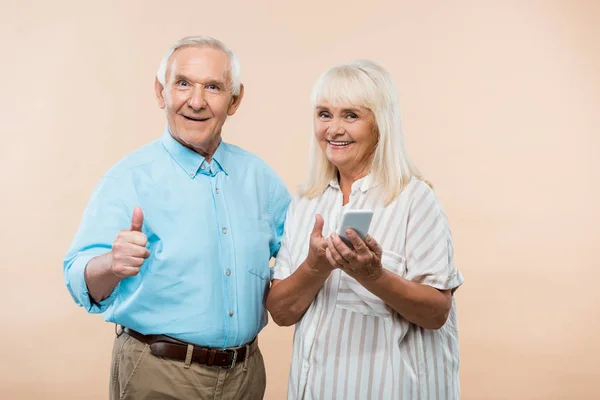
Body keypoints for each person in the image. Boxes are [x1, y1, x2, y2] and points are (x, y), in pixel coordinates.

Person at [63, 35, 291, 400]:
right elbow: (79, 279)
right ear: (160, 92)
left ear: (234, 100)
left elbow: (297, 260)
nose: (196, 101)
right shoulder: (128, 178)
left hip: (246, 376)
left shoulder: (261, 179)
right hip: (158, 374)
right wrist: (111, 264)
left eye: (213, 87)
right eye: (182, 83)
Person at [266, 60, 464, 399]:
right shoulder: (306, 202)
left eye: (351, 115)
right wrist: (316, 266)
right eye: (324, 114)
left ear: (380, 124)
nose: (334, 129)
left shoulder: (414, 199)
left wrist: (373, 275)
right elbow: (282, 313)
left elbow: (435, 313)